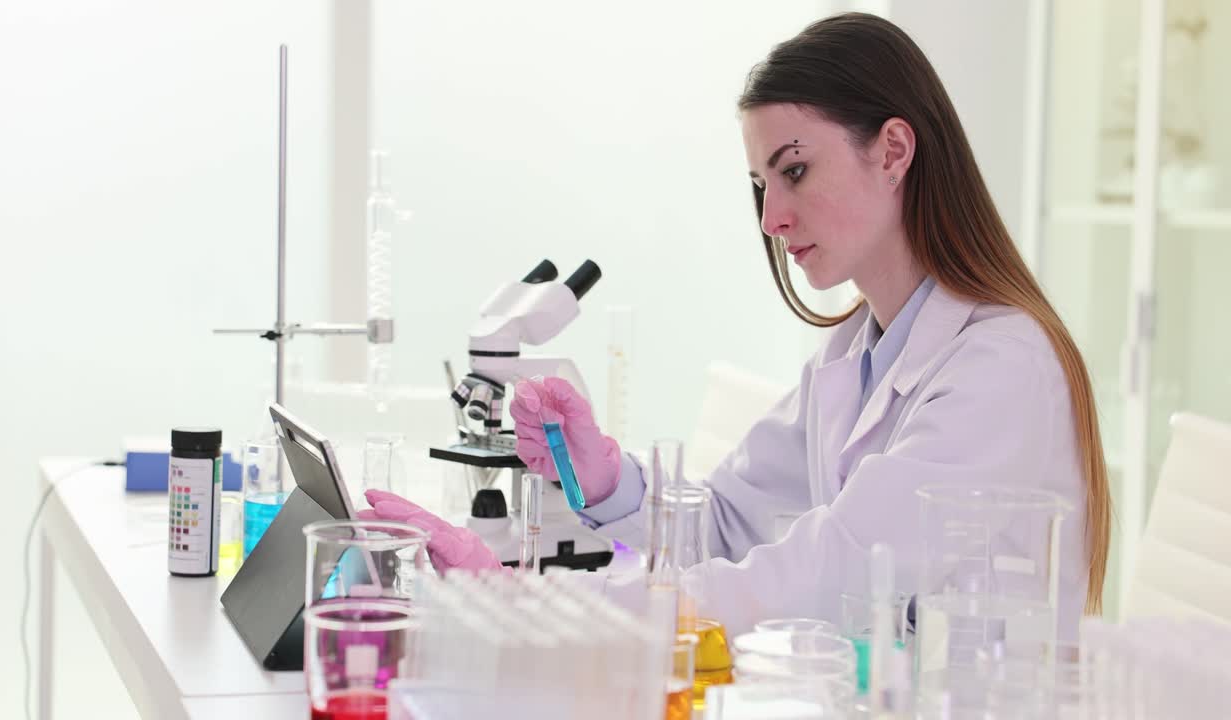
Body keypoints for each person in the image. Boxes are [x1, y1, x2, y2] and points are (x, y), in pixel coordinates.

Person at [360, 12, 1111, 641]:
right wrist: (606, 475)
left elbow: (828, 570)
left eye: (795, 170)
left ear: (893, 150)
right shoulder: (853, 352)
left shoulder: (1002, 365)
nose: (771, 218)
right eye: (761, 185)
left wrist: (535, 608)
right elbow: (725, 523)